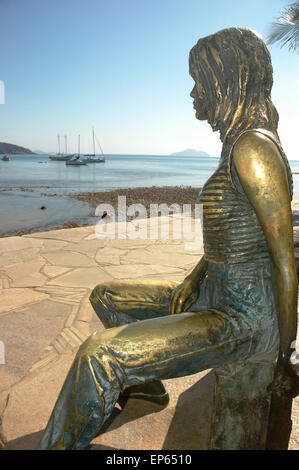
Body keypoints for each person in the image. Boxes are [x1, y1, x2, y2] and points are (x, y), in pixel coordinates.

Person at [37, 27, 298, 450]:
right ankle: (148, 389)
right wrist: (195, 280)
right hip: (213, 294)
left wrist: (284, 356)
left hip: (245, 319)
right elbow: (235, 238)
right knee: (107, 295)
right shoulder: (236, 142)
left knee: (98, 357)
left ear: (226, 79)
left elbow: (284, 261)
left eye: (199, 80)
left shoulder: (252, 149)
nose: (193, 92)